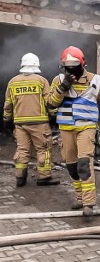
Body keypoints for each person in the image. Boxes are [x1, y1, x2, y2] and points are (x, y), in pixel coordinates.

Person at [47, 46, 100, 217]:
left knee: (84, 163)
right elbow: (50, 104)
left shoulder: (96, 81)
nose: (71, 69)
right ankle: (79, 198)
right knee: (71, 165)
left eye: (74, 65)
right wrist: (63, 88)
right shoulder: (59, 80)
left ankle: (88, 202)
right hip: (66, 127)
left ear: (82, 64)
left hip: (87, 127)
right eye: (67, 66)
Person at [3, 53, 60, 187]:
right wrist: (54, 115)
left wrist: (7, 119)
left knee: (22, 150)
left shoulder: (13, 82)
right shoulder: (41, 81)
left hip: (20, 123)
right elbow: (49, 101)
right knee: (43, 149)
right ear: (36, 65)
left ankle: (20, 178)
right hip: (39, 122)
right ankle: (44, 177)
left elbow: (8, 103)